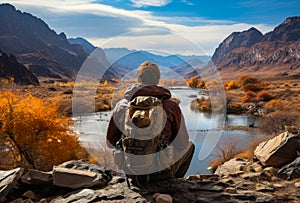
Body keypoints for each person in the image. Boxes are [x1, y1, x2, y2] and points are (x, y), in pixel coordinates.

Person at [106, 61, 194, 183]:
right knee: (190, 146)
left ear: (138, 78)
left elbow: (110, 142)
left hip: (132, 171)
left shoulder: (122, 105)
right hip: (161, 172)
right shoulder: (170, 106)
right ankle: (173, 183)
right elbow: (182, 144)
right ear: (158, 79)